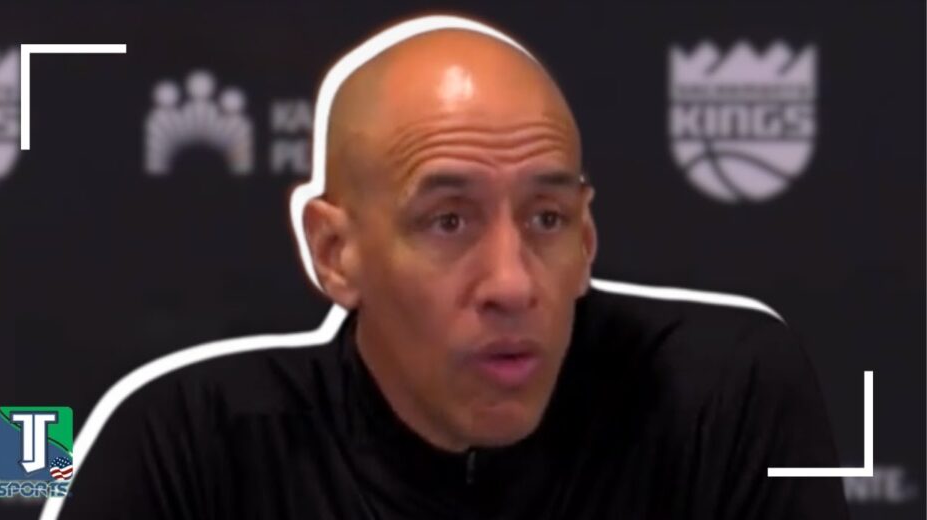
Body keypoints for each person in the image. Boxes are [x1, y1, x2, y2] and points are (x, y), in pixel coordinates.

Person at [50, 17, 849, 520]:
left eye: (546, 219)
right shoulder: (192, 447)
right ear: (334, 252)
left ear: (587, 241)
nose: (512, 284)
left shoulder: (719, 399)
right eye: (449, 221)